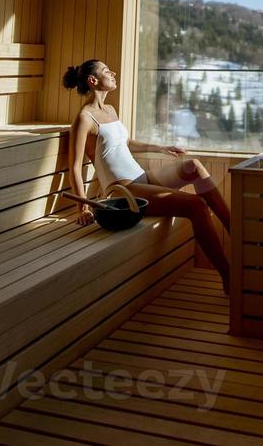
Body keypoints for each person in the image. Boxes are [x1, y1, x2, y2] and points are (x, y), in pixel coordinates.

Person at [63, 59, 231, 292]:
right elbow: (74, 166)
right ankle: (228, 276)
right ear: (93, 81)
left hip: (142, 178)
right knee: (196, 206)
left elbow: (124, 143)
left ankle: (236, 232)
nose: (113, 73)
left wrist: (159, 147)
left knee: (193, 165)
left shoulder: (110, 110)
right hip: (124, 190)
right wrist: (82, 208)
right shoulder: (84, 118)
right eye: (105, 71)